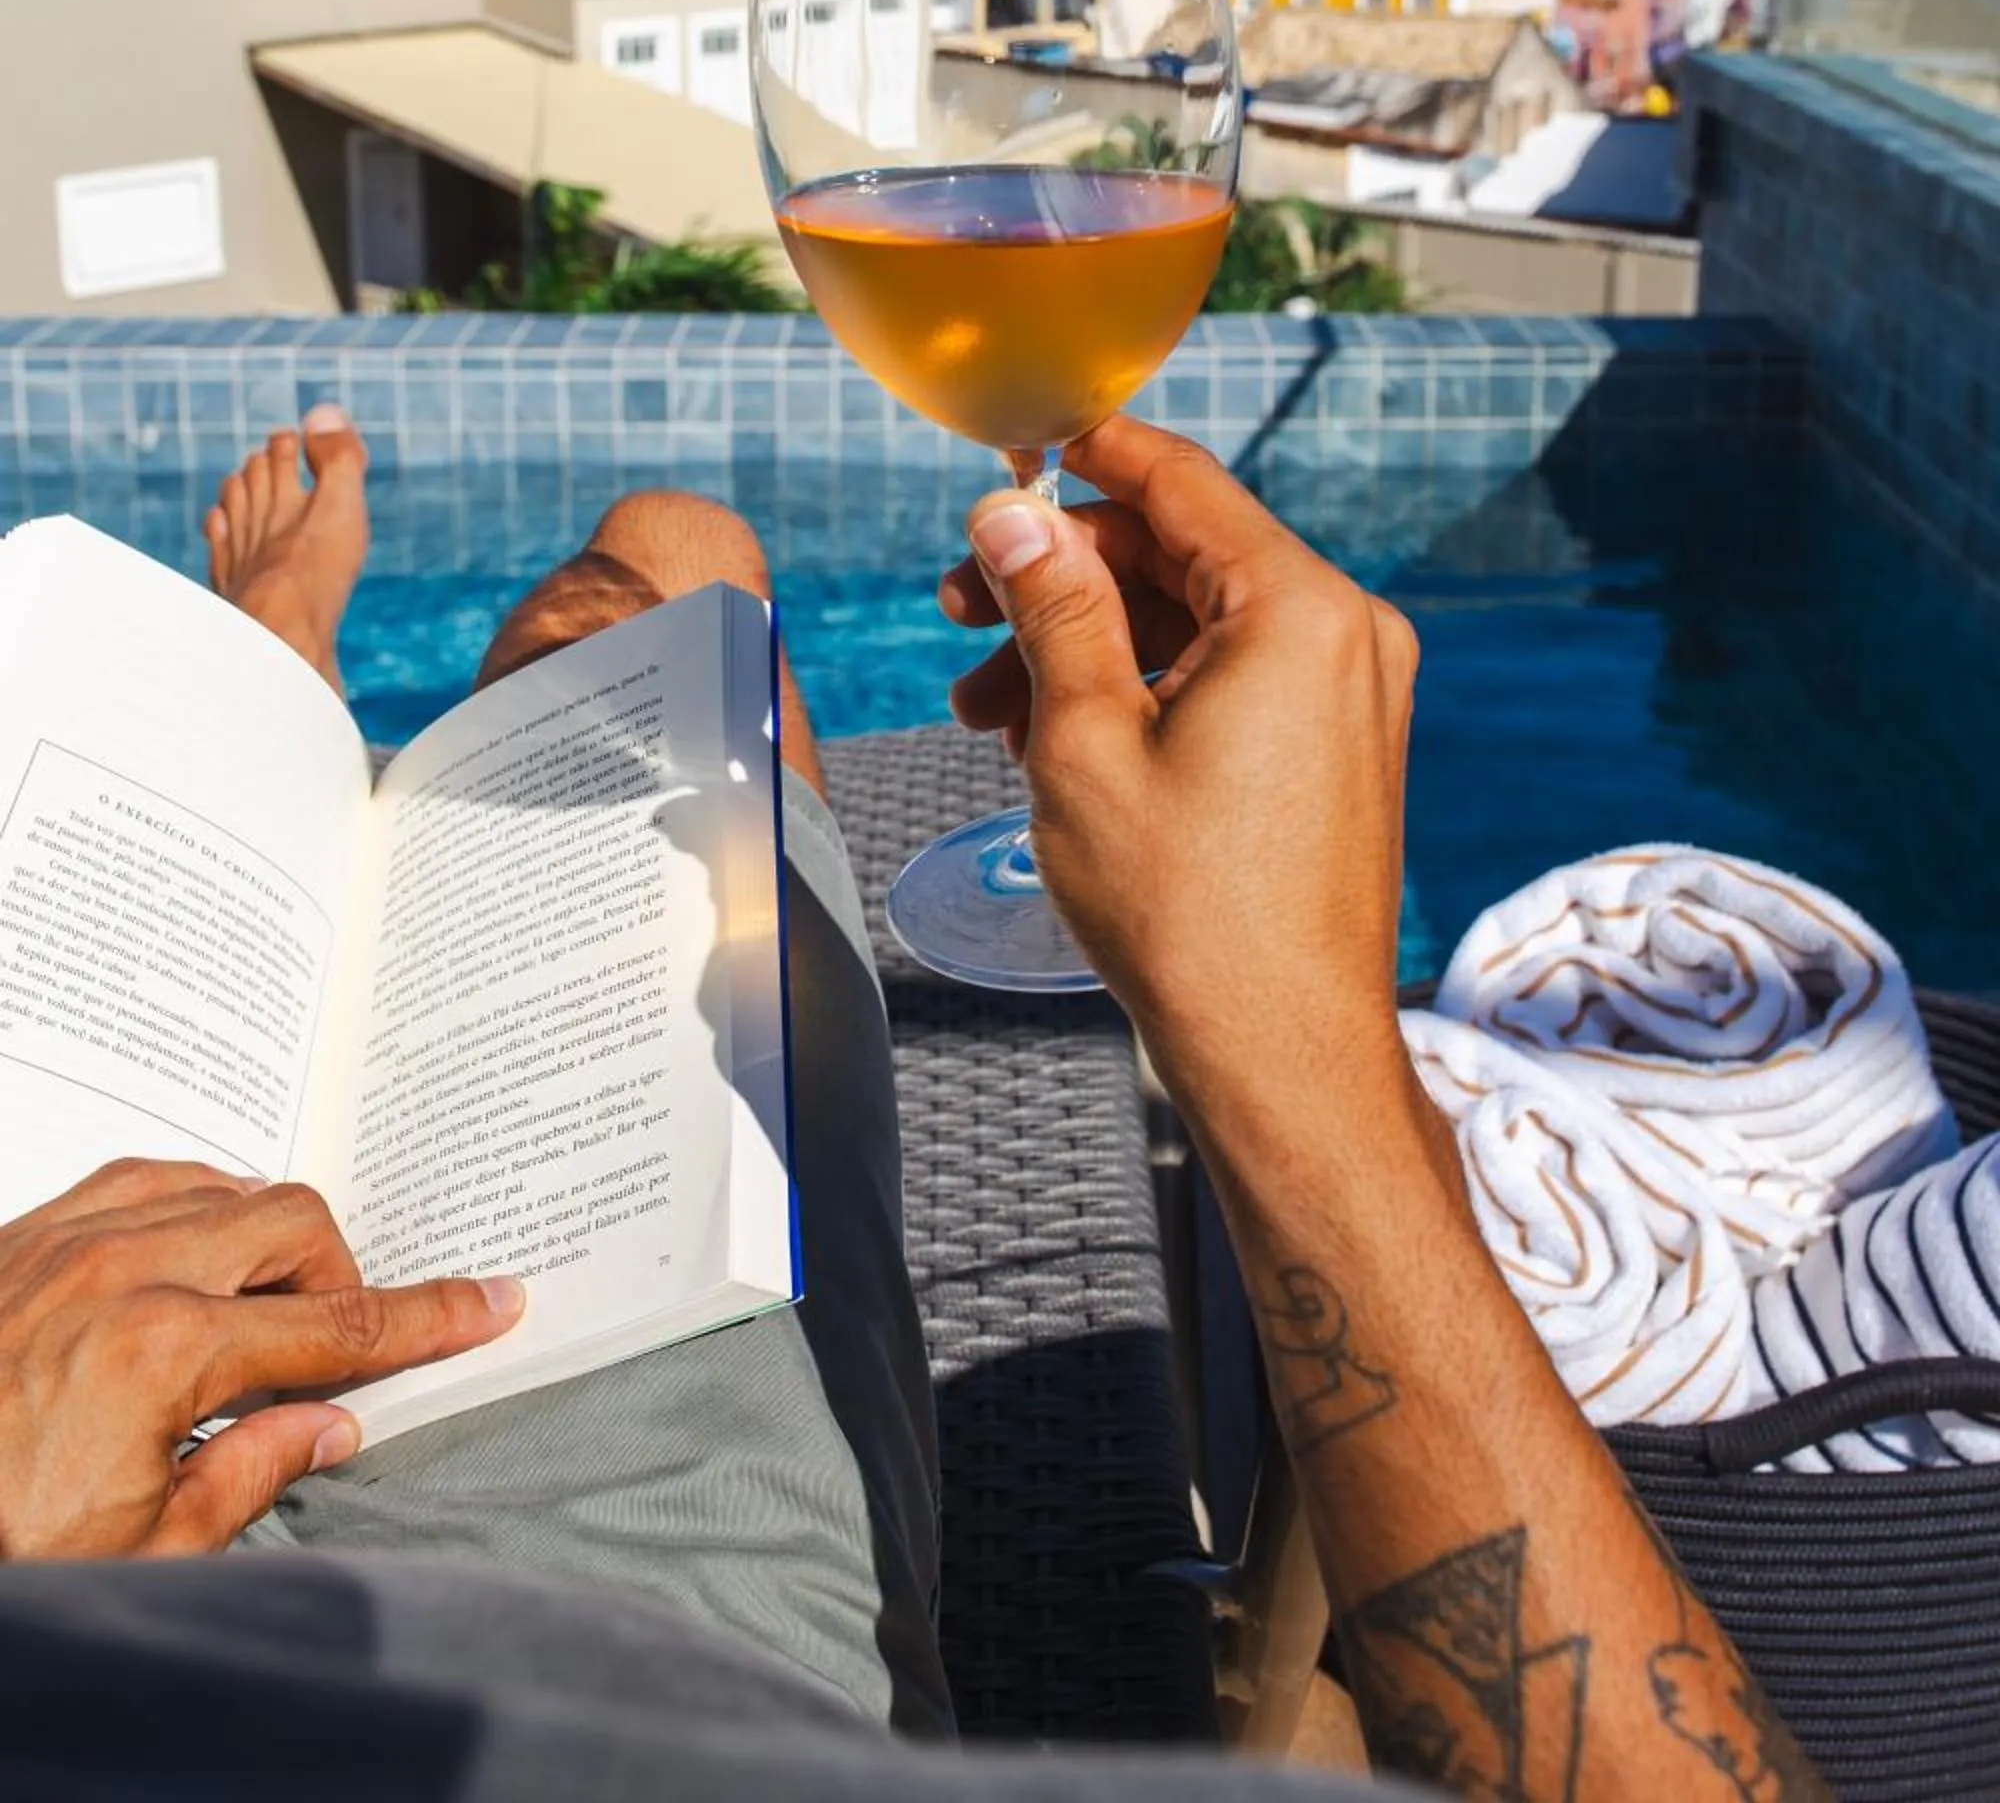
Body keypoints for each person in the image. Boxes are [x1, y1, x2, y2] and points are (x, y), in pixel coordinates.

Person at [0, 407, 1826, 1802]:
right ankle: (285, 704)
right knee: (662, 578)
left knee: (604, 614)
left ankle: (276, 681)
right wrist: (1289, 1034)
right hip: (580, 1612)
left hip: (68, 1549)